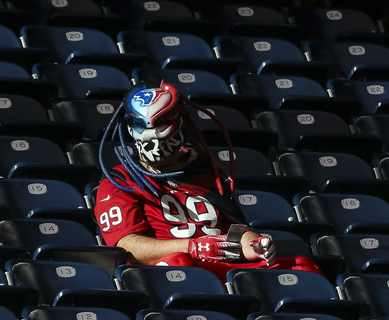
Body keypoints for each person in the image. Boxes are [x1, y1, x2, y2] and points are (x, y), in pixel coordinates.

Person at [93, 81, 322, 281]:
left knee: (303, 267)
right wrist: (193, 247)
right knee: (180, 262)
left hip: (221, 265)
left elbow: (233, 229)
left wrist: (251, 243)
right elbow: (126, 247)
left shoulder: (207, 169)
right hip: (169, 271)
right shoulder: (119, 181)